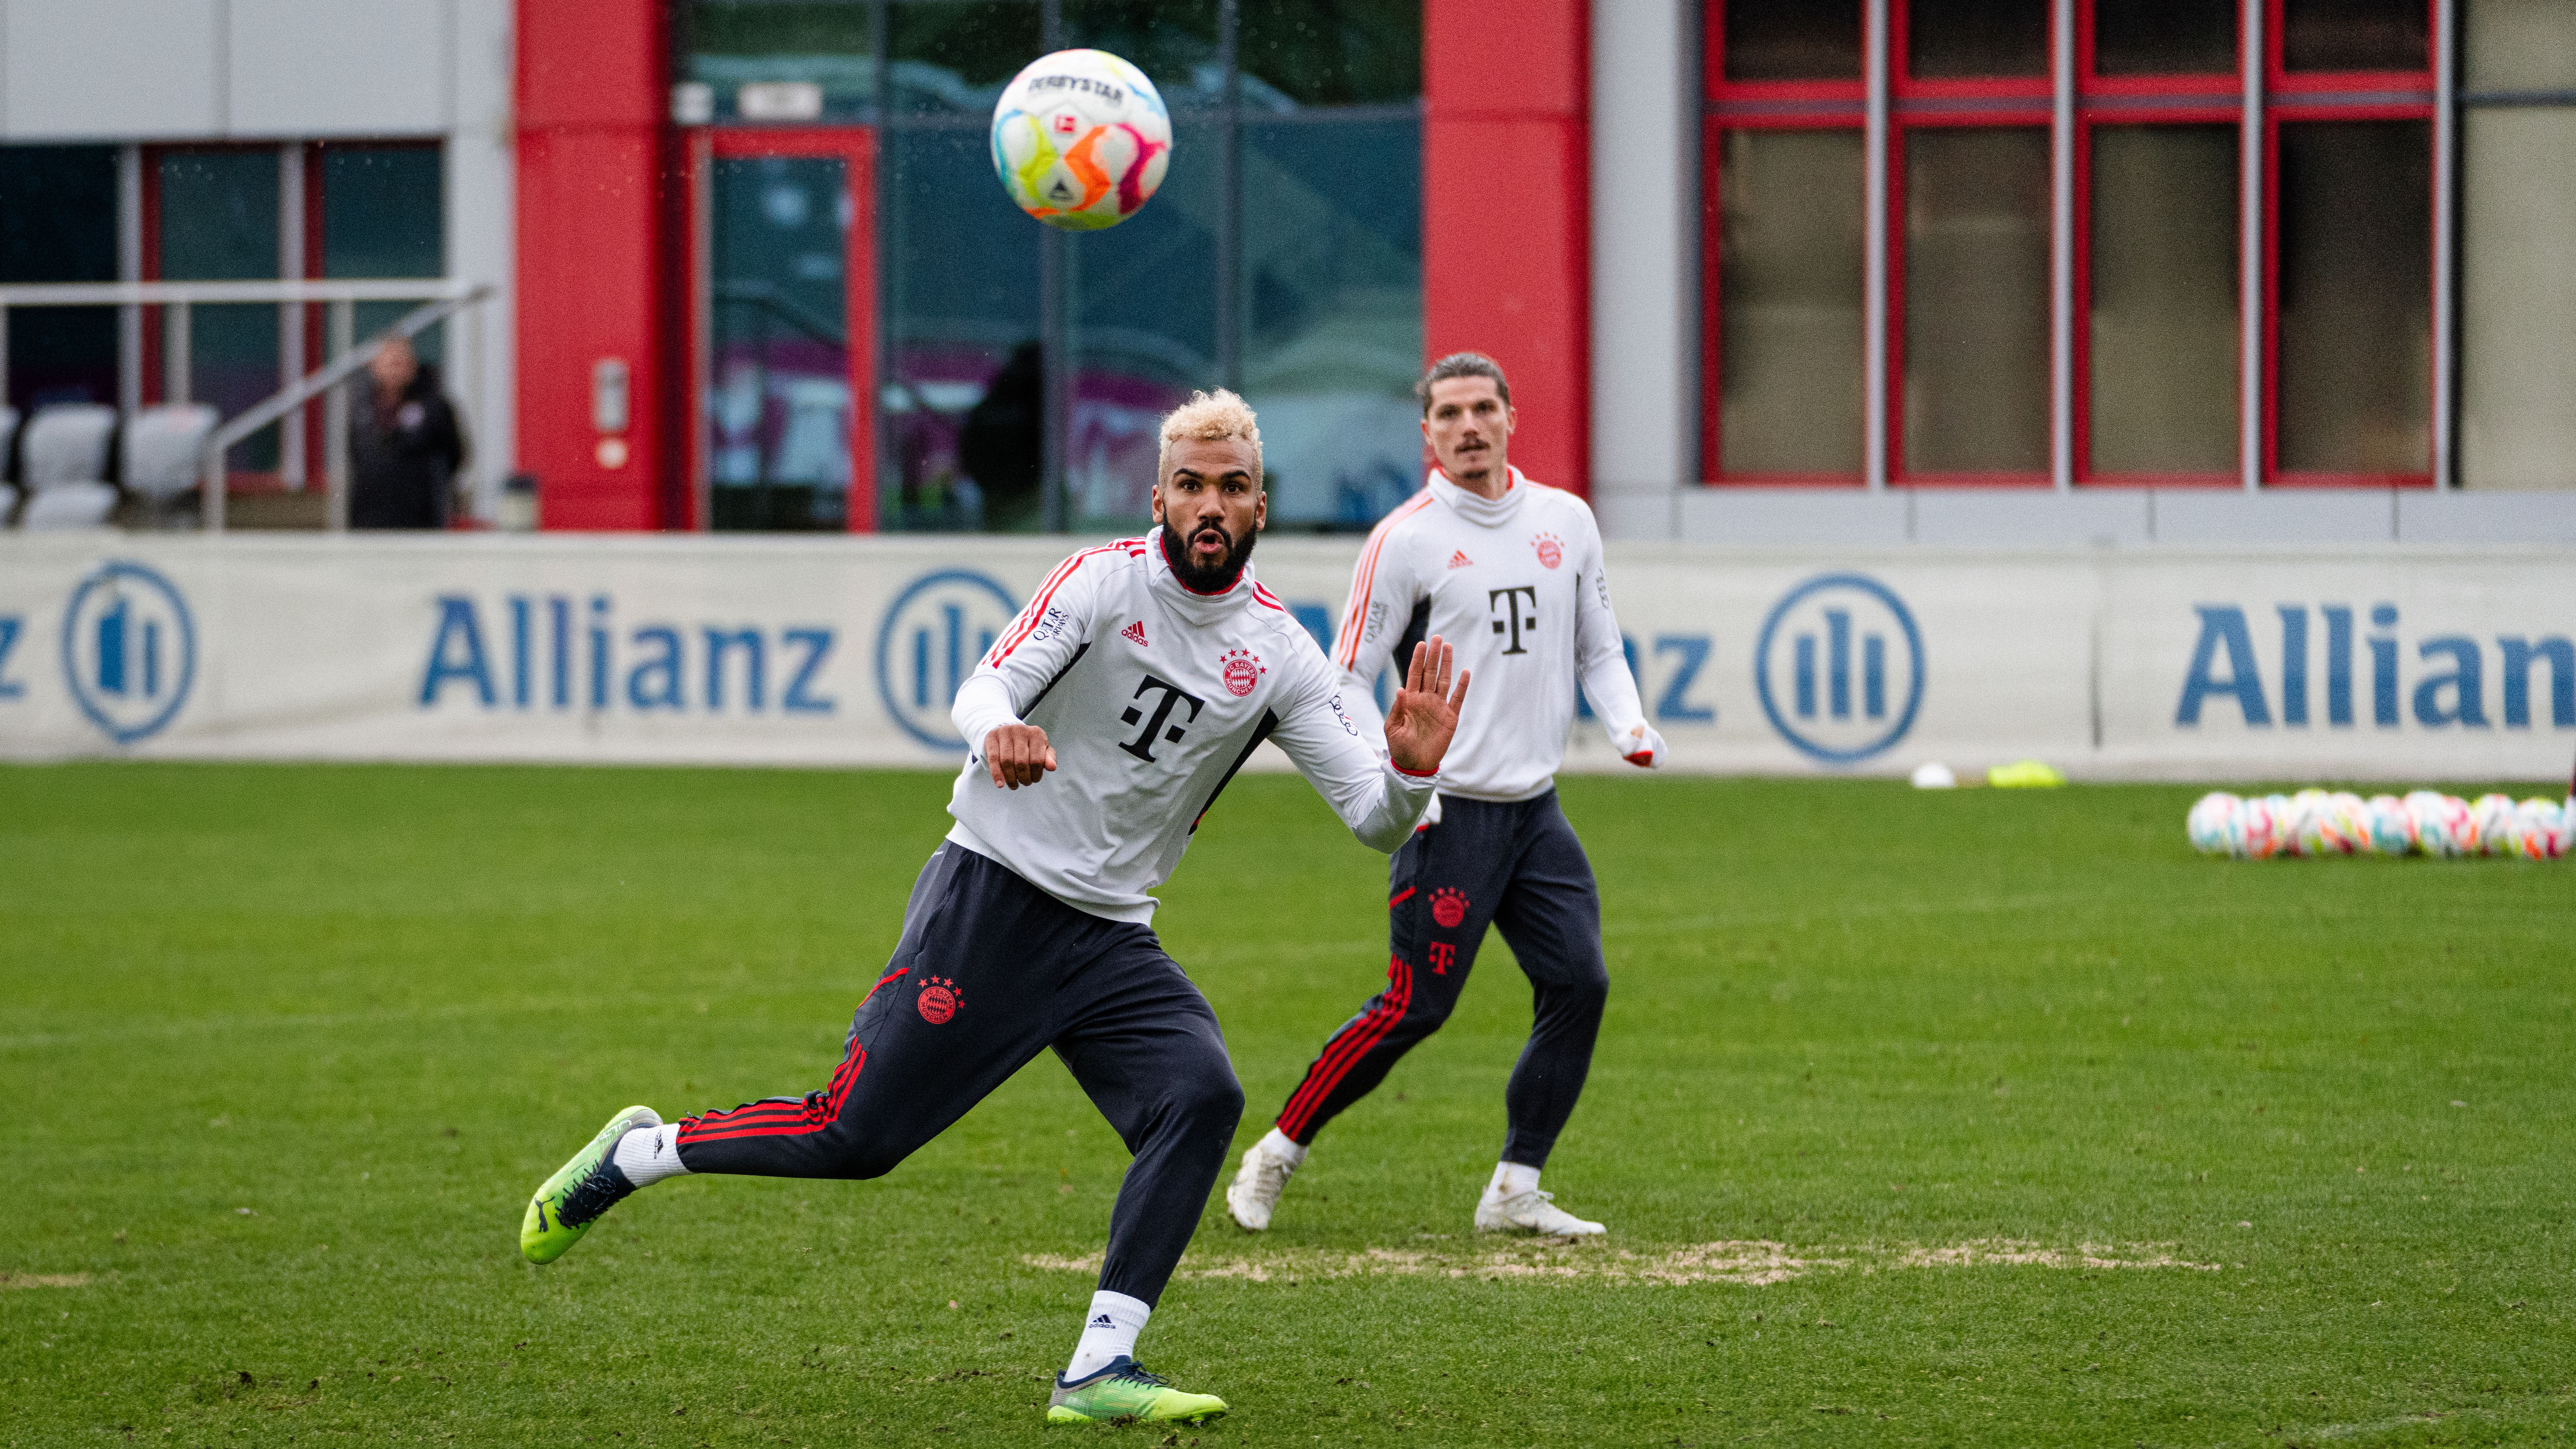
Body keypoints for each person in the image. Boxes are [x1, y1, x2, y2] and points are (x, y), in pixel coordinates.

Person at [517, 390, 1470, 1427]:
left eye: (1230, 487)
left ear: (1259, 507)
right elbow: (983, 685)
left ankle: (1100, 1365)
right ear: (1158, 494)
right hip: (992, 898)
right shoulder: (1104, 584)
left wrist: (1415, 771)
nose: (1209, 503)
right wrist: (1000, 731)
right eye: (1190, 484)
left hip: (1111, 937)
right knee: (855, 1135)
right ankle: (639, 1152)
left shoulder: (1283, 652)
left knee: (1199, 1093)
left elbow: (1376, 819)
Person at [1225, 352, 1665, 1241]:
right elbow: (1345, 677)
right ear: (1426, 433)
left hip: (1535, 812)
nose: (1469, 426)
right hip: (1446, 813)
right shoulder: (1407, 538)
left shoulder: (1566, 521)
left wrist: (1628, 723)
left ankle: (1514, 1185)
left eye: (1482, 408)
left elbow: (1599, 645)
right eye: (1449, 413)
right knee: (1413, 1006)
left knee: (1580, 981)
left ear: (1510, 417)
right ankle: (1277, 1147)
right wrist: (1399, 781)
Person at [348, 336, 466, 529]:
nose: (396, 371)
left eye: (401, 364)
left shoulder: (434, 406)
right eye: (390, 364)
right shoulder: (361, 408)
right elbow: (354, 454)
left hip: (421, 518)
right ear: (375, 367)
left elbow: (455, 454)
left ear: (413, 366)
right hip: (369, 518)